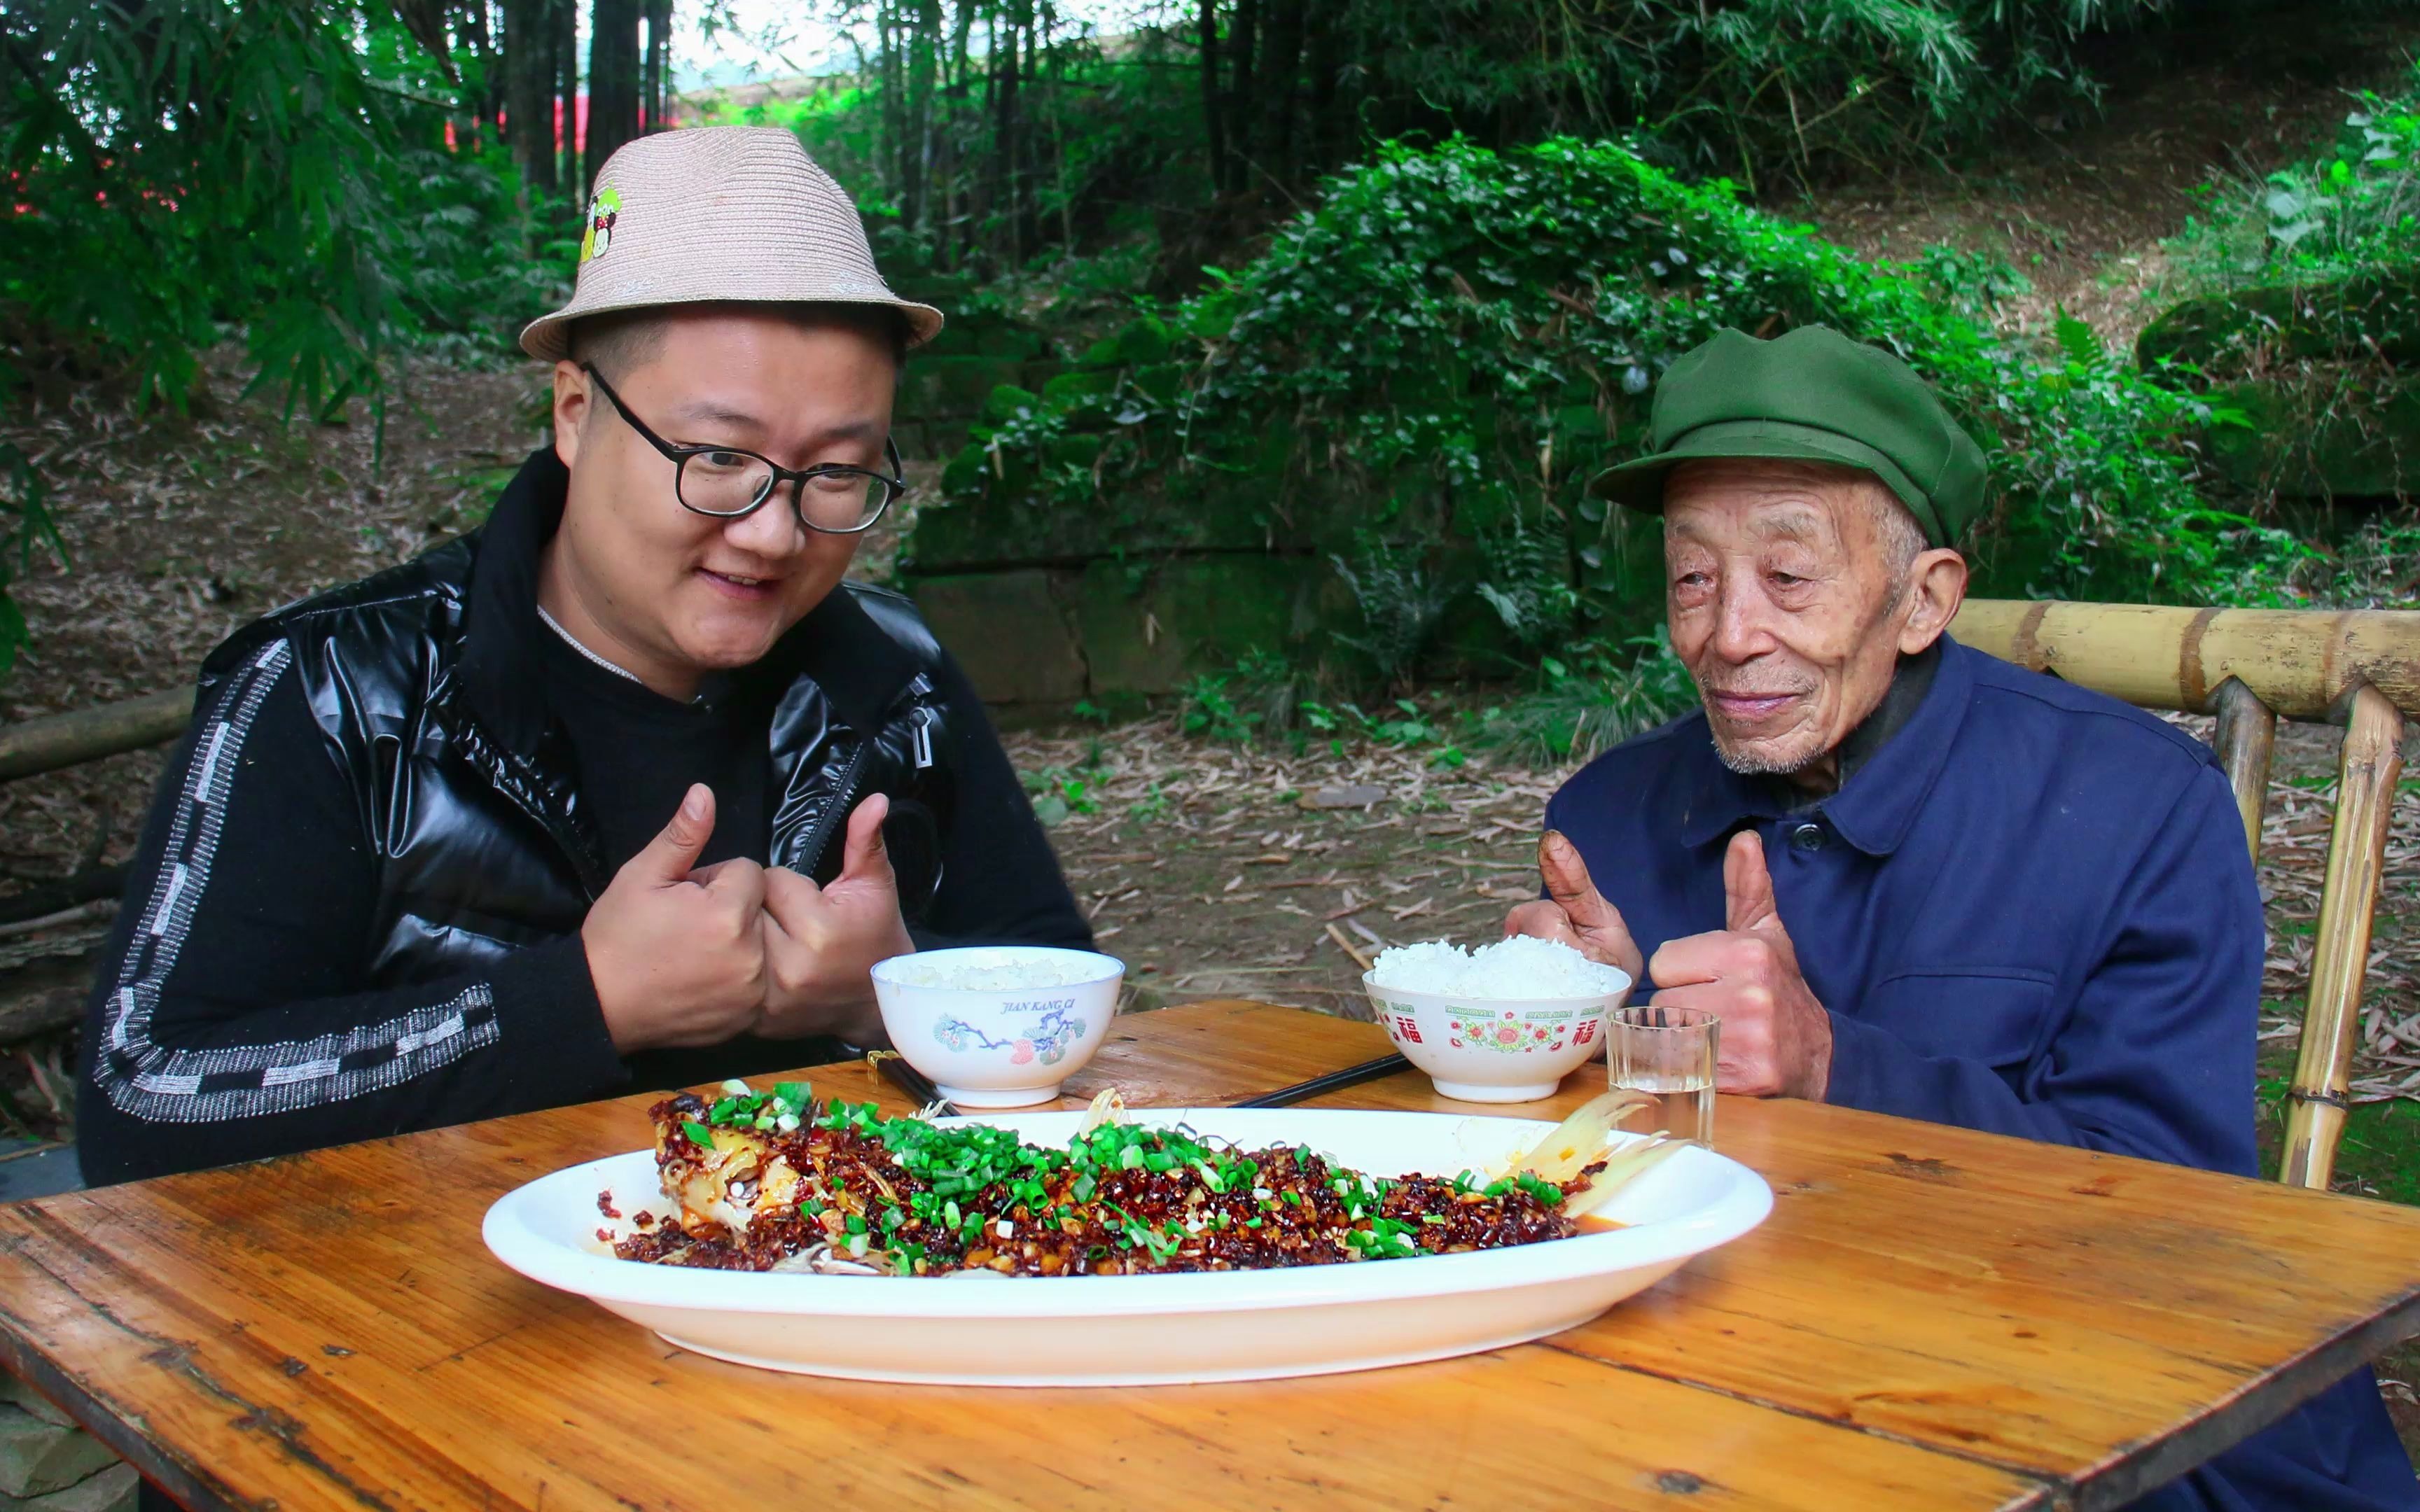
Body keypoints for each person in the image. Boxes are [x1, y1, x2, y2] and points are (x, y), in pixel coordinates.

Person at [1507, 325, 2417, 1511]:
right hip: (1736, 1403)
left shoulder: (2133, 811)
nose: (1729, 634)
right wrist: (1554, 1040)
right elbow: (1570, 1211)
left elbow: (2177, 1236)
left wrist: (1833, 1063)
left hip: (2112, 1427)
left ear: (1925, 598)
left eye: (1790, 578)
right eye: (1692, 578)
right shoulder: (1612, 816)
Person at [75, 127, 1090, 1186]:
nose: (775, 534)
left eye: (837, 474)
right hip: (419, 1327)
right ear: (573, 413)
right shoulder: (333, 690)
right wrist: (585, 999)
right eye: (720, 458)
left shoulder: (895, 680)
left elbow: (1071, 1009)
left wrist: (895, 992)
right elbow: (144, 1098)